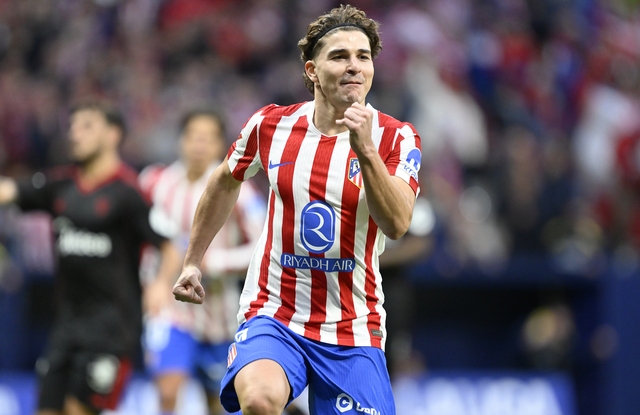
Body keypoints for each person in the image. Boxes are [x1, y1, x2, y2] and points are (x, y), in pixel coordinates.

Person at [172, 5, 421, 415]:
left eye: (363, 56)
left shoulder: (397, 138)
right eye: (339, 56)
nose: (354, 66)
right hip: (275, 312)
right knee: (259, 399)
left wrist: (366, 151)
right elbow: (224, 181)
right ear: (312, 71)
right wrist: (192, 261)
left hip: (352, 325)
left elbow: (397, 224)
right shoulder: (271, 126)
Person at [0, 100, 183, 415]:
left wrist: (160, 284)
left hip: (111, 333)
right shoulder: (60, 186)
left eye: (86, 126)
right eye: (72, 126)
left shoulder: (129, 193)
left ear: (112, 135)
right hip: (64, 329)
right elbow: (9, 191)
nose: (75, 133)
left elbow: (169, 247)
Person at [139, 109, 266, 415]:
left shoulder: (240, 189)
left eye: (207, 138)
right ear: (180, 141)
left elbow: (263, 246)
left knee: (218, 403)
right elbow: (142, 241)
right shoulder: (154, 183)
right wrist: (150, 284)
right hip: (171, 308)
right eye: (193, 137)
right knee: (167, 391)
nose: (199, 145)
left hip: (219, 313)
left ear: (220, 144)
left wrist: (213, 262)